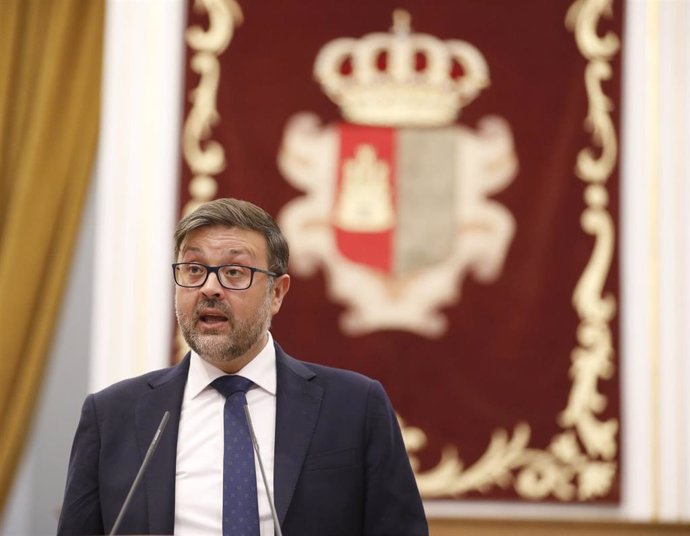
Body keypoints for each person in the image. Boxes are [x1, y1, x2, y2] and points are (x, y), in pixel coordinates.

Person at [57, 198, 428, 536]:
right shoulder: (112, 416)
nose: (209, 288)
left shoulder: (354, 407)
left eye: (234, 272)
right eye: (194, 269)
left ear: (277, 293)